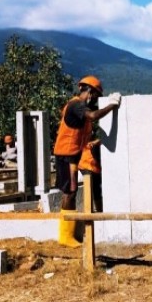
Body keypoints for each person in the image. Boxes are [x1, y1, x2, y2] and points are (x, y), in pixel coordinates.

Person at [53, 75, 121, 247]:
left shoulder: (78, 106)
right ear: (89, 91)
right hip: (67, 154)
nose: (96, 100)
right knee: (70, 192)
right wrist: (112, 105)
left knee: (70, 191)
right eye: (97, 95)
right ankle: (65, 236)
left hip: (71, 154)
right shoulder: (77, 105)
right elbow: (92, 116)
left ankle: (67, 233)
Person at [78, 128, 103, 213]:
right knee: (91, 188)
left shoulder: (93, 143)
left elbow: (101, 140)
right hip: (85, 166)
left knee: (97, 190)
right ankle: (89, 212)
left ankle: (99, 211)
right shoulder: (83, 140)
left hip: (94, 167)